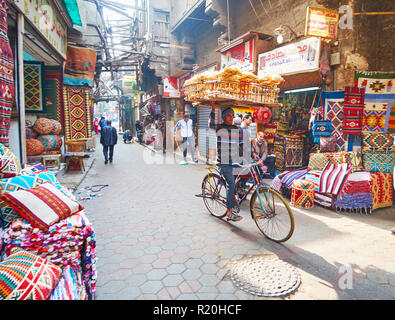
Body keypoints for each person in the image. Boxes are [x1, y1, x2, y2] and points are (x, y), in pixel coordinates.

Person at [210, 105, 248, 222]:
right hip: (223, 162)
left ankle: (234, 198)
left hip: (233, 160)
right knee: (230, 184)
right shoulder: (219, 127)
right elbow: (210, 125)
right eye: (228, 116)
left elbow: (241, 145)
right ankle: (229, 212)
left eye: (232, 115)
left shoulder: (236, 129)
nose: (231, 118)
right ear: (224, 117)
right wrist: (212, 110)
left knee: (239, 178)